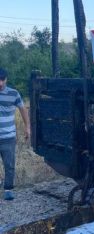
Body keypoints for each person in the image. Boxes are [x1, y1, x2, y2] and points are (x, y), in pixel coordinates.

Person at [0, 68, 30, 200]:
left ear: (6, 79)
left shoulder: (14, 93)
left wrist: (27, 127)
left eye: (2, 80)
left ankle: (8, 189)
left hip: (8, 137)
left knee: (9, 164)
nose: (0, 83)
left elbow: (23, 110)